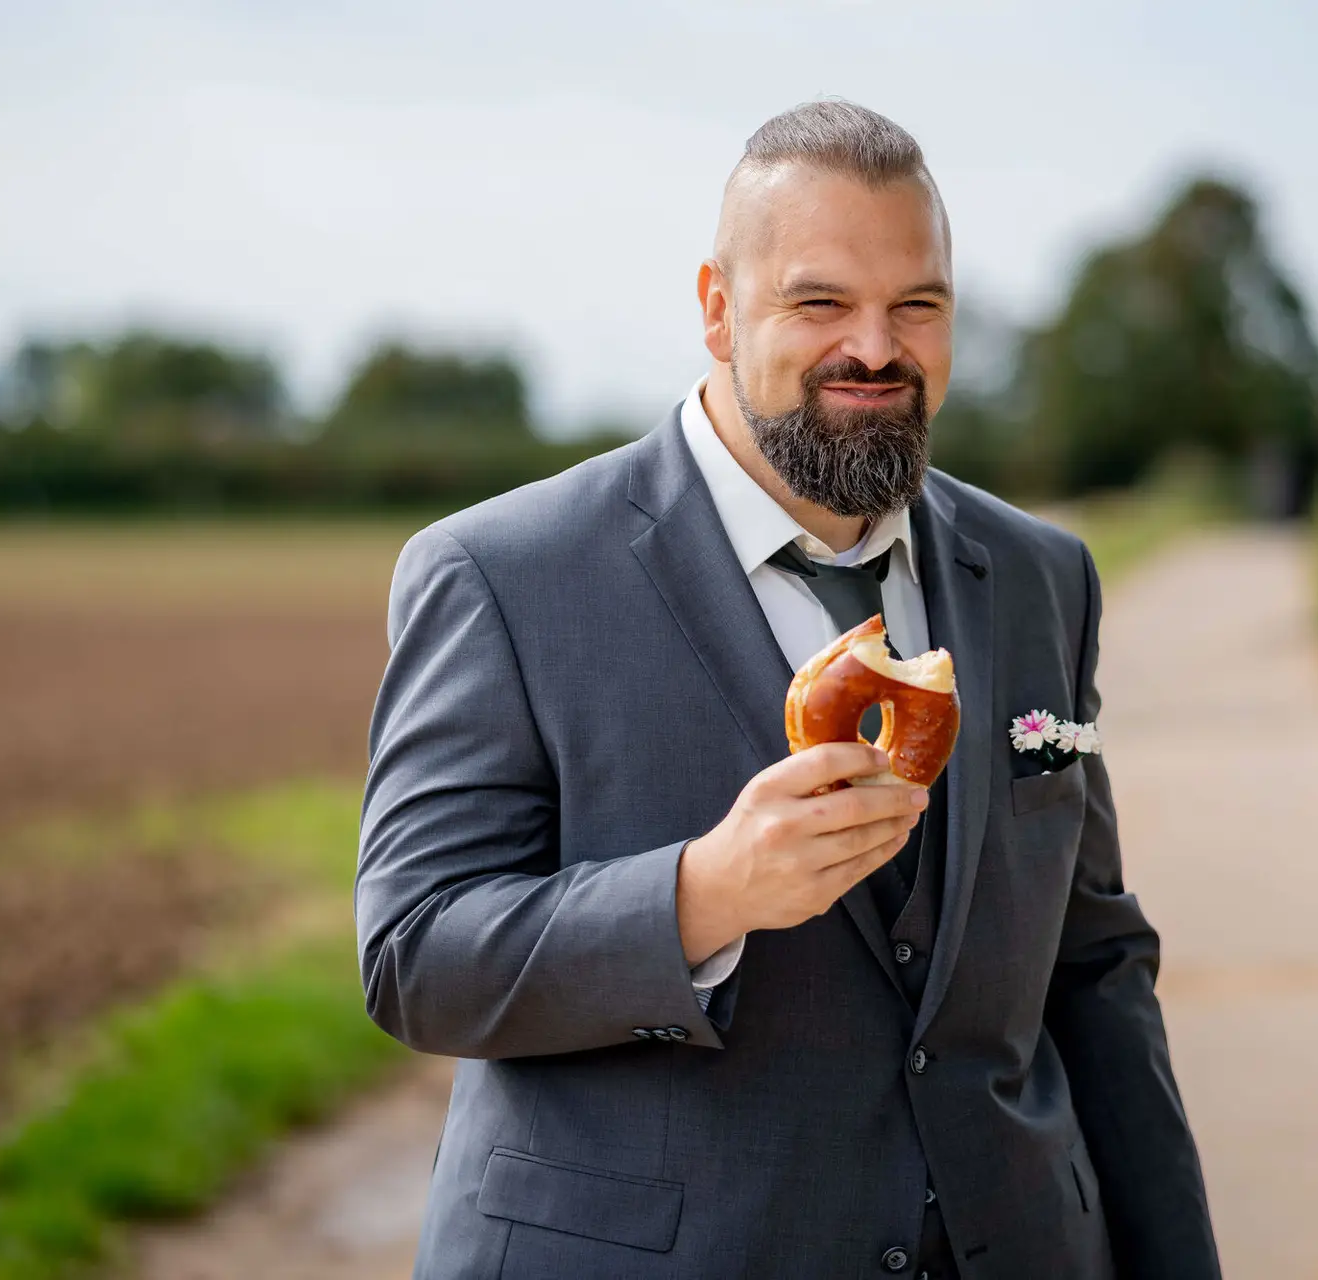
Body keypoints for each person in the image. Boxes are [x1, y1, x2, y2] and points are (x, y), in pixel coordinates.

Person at [356, 98, 1222, 1280]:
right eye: (820, 302)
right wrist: (702, 893)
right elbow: (413, 957)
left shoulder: (1039, 577)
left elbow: (1096, 963)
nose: (876, 346)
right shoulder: (503, 575)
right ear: (718, 308)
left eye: (916, 304)